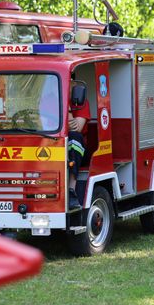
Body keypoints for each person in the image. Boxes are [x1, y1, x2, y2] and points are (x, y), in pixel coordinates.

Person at [68, 77, 91, 210]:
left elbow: (76, 128)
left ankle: (72, 190)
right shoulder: (48, 100)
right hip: (55, 147)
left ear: (75, 84)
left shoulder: (82, 103)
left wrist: (66, 106)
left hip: (80, 151)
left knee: (75, 138)